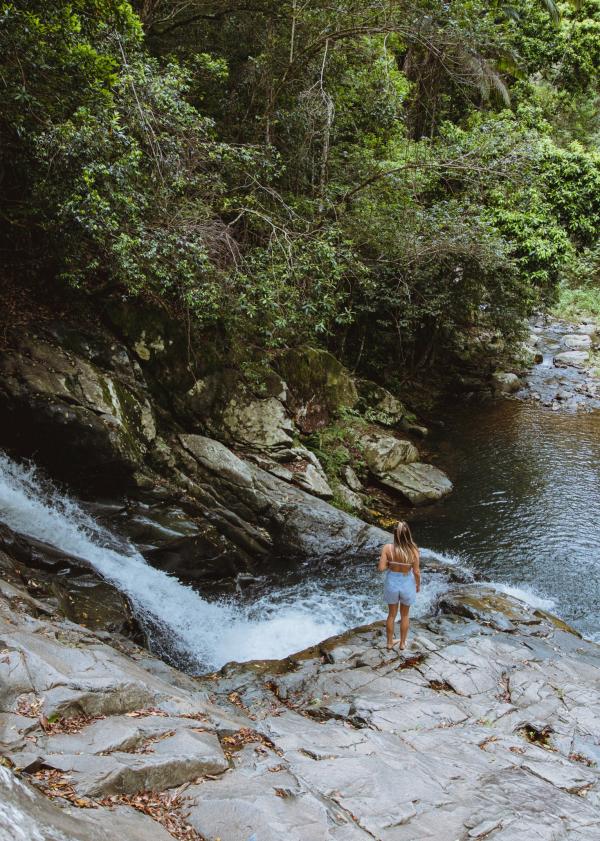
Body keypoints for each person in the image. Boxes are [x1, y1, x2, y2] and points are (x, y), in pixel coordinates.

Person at [378, 521, 421, 650]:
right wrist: (418, 585)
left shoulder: (387, 548)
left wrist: (389, 564)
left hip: (392, 581)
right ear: (408, 534)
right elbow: (416, 572)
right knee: (405, 615)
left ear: (394, 535)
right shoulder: (413, 550)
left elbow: (381, 568)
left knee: (391, 615)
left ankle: (390, 643)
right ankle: (402, 643)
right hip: (407, 582)